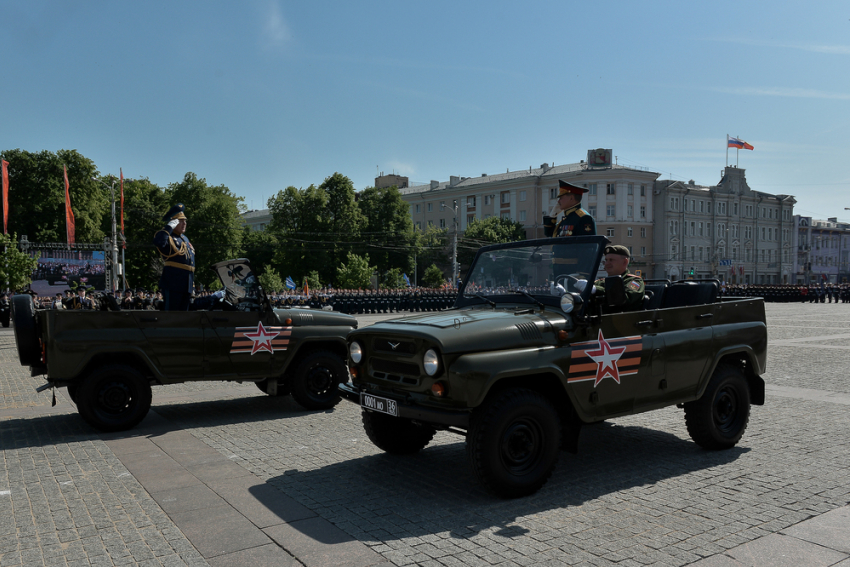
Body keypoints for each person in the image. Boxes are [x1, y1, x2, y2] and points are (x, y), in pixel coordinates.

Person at [153, 203, 195, 311]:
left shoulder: (185, 239)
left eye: (185, 221)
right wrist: (168, 228)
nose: (184, 223)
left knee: (184, 317)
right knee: (172, 315)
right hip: (173, 283)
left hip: (187, 283)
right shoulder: (168, 236)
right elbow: (159, 242)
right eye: (181, 221)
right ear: (173, 222)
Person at [591, 245, 645, 314]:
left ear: (624, 262)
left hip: (622, 321)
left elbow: (622, 299)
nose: (607, 264)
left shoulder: (634, 281)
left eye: (611, 260)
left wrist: (596, 290)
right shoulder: (600, 282)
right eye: (606, 260)